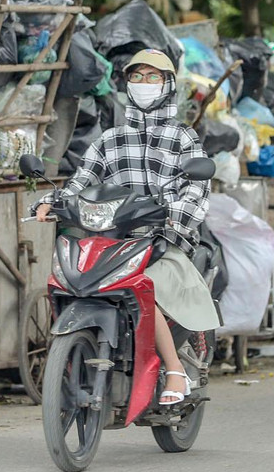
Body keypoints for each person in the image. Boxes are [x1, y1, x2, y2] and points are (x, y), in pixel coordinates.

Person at [33, 48, 219, 406]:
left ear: (167, 85)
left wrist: (173, 216)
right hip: (113, 240)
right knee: (76, 277)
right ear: (126, 84)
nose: (144, 84)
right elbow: (82, 179)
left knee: (147, 286)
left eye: (153, 77)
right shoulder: (110, 138)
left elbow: (196, 189)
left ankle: (176, 370)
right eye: (137, 77)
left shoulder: (183, 138)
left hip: (163, 239)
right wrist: (50, 201)